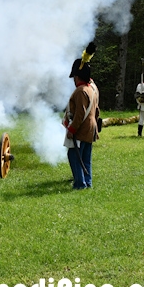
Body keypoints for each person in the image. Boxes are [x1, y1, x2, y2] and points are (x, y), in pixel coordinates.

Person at [63, 43, 100, 190]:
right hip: (90, 128)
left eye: (75, 77)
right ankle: (87, 182)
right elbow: (96, 110)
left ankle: (80, 184)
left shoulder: (80, 91)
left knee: (74, 157)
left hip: (81, 129)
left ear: (78, 77)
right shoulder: (92, 88)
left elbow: (79, 113)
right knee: (86, 158)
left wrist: (72, 129)